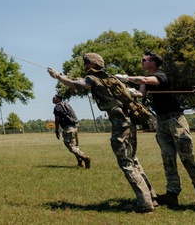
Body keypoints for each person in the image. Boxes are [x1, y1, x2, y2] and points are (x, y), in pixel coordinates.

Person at [48, 53, 157, 213]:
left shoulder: (92, 78)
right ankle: (152, 196)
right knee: (133, 159)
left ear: (90, 65)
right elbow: (136, 94)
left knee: (125, 162)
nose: (84, 67)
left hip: (120, 123)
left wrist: (57, 76)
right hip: (130, 121)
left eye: (86, 64)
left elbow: (74, 84)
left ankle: (144, 202)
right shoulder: (111, 78)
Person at [116, 51, 195, 209]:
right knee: (168, 159)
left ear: (152, 62)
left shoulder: (160, 75)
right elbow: (140, 93)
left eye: (143, 59)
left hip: (176, 121)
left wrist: (126, 78)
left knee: (187, 157)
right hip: (162, 121)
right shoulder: (146, 79)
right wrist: (127, 90)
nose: (142, 61)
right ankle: (172, 194)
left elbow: (146, 80)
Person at [52, 94, 90, 168]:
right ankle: (80, 163)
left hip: (68, 128)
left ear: (59, 99)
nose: (53, 99)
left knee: (70, 146)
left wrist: (56, 130)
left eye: (54, 98)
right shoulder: (66, 105)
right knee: (75, 146)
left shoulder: (57, 107)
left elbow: (57, 120)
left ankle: (85, 158)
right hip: (74, 127)